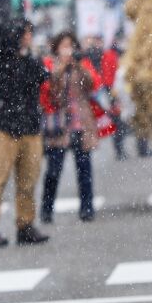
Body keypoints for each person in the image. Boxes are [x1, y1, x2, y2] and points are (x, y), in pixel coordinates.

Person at [0, 19, 49, 247]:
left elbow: (41, 76)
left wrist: (28, 57)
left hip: (28, 125)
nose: (29, 37)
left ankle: (25, 224)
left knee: (28, 179)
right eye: (26, 33)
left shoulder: (29, 59)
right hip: (4, 127)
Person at [39, 31, 101, 224]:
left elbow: (93, 85)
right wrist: (60, 70)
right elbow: (49, 92)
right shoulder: (50, 65)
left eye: (70, 46)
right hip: (59, 126)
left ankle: (87, 208)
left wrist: (79, 67)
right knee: (53, 170)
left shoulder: (81, 65)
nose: (67, 50)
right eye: (64, 46)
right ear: (56, 48)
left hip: (80, 124)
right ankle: (46, 209)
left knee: (84, 170)